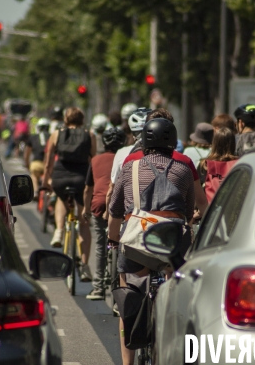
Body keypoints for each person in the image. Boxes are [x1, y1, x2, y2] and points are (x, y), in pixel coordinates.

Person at [108, 118, 194, 365]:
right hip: (171, 246)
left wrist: (114, 239)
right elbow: (187, 213)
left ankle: (127, 363)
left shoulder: (130, 168)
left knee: (128, 297)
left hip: (136, 244)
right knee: (176, 288)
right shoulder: (184, 170)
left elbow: (115, 210)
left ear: (144, 141)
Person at [121, 108, 209, 220]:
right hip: (173, 230)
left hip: (137, 230)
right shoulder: (184, 162)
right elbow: (199, 202)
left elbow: (118, 204)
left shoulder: (131, 161)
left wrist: (112, 236)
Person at [43, 107, 97, 281]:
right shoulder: (90, 135)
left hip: (60, 176)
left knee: (60, 197)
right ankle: (85, 266)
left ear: (66, 119)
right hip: (81, 178)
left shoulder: (57, 134)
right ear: (82, 120)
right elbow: (93, 160)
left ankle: (58, 230)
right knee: (83, 223)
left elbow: (48, 160)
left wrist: (46, 181)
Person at [82, 127, 126, 300]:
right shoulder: (126, 158)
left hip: (100, 205)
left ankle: (98, 288)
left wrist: (86, 209)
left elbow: (88, 188)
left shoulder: (95, 160)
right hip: (121, 205)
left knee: (101, 246)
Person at [198, 127, 239, 201]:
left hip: (210, 209)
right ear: (233, 144)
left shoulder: (204, 164)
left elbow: (198, 191)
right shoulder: (240, 163)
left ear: (214, 143)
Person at [24, 117, 50, 198]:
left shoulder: (33, 137)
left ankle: (35, 191)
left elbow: (26, 154)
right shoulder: (52, 136)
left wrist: (27, 164)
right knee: (50, 177)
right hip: (49, 164)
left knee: (34, 175)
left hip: (36, 164)